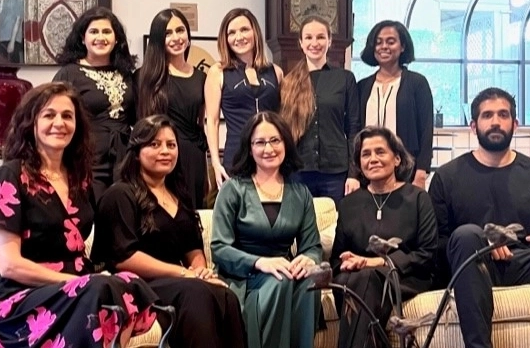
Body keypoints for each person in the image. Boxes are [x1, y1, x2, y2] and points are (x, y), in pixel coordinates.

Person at [0, 82, 159, 348]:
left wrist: (91, 279)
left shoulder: (80, 179)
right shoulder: (11, 175)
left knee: (130, 283)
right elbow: (10, 265)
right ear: (32, 123)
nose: (59, 123)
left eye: (67, 116)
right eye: (49, 115)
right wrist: (78, 282)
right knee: (98, 290)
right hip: (23, 293)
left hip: (79, 285)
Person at [428, 87, 530, 348]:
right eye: (487, 115)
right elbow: (435, 247)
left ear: (515, 124)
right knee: (466, 234)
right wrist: (480, 244)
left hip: (528, 265)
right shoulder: (447, 177)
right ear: (473, 126)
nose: (495, 121)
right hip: (472, 267)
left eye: (503, 114)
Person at [91, 114, 245, 348]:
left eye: (171, 145)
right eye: (155, 144)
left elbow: (193, 250)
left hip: (176, 281)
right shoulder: (120, 194)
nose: (165, 151)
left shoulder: (180, 197)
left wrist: (201, 271)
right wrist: (184, 274)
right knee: (195, 293)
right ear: (137, 151)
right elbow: (124, 258)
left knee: (226, 296)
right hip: (136, 284)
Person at [211, 111, 322, 348]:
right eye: (259, 142)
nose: (268, 148)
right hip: (243, 276)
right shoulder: (233, 189)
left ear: (285, 143)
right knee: (280, 280)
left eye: (275, 140)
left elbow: (312, 246)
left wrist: (307, 259)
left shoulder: (300, 193)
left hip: (284, 271)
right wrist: (259, 262)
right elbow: (219, 248)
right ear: (249, 148)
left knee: (310, 281)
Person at [330, 126, 437, 348]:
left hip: (406, 276)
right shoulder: (349, 204)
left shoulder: (418, 198)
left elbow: (426, 254)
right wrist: (349, 261)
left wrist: (378, 262)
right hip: (356, 279)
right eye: (366, 154)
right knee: (359, 279)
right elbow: (336, 261)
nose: (373, 159)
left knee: (366, 279)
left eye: (380, 152)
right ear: (359, 163)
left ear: (397, 158)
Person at [54, 6, 137, 201]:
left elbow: (136, 117)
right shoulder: (68, 74)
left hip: (125, 161)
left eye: (107, 31)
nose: (101, 37)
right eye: (94, 31)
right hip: (88, 160)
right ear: (83, 38)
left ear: (117, 39)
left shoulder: (126, 73)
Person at [280, 16, 361, 206]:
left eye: (320, 37)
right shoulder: (288, 82)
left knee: (336, 228)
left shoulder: (345, 78)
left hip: (336, 173)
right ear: (301, 43)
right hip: (299, 172)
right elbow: (283, 131)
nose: (314, 43)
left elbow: (354, 128)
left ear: (329, 40)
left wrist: (354, 174)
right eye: (308, 38)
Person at [136, 8, 208, 209]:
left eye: (180, 30)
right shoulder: (144, 77)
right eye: (168, 33)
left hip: (192, 155)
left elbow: (203, 123)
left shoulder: (202, 78)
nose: (176, 38)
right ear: (159, 38)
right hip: (158, 153)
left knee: (190, 214)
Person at [205, 8, 284, 188]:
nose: (238, 37)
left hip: (269, 157)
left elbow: (283, 120)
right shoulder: (218, 72)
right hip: (236, 157)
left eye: (244, 30)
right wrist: (216, 163)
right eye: (231, 33)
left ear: (255, 32)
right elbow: (213, 121)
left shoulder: (276, 72)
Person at [358, 20, 433, 189]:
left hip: (406, 169)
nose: (384, 46)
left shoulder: (417, 83)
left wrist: (422, 172)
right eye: (378, 42)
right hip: (369, 168)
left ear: (403, 46)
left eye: (391, 42)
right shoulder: (362, 87)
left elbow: (427, 129)